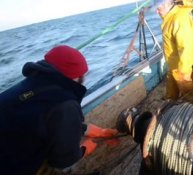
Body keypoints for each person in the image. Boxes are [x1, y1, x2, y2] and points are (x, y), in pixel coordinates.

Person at [0, 45, 118, 175]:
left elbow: (42, 120)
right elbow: (63, 160)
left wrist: (93, 130)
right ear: (78, 76)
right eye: (84, 74)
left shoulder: (31, 84)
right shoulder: (64, 102)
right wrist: (84, 149)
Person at [156, 0, 193, 101]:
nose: (156, 12)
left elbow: (186, 48)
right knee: (171, 88)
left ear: (167, 4)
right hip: (172, 65)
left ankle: (189, 108)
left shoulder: (180, 19)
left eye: (158, 8)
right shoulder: (169, 17)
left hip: (181, 68)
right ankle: (170, 101)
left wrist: (183, 71)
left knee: (187, 93)